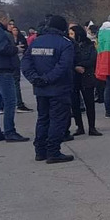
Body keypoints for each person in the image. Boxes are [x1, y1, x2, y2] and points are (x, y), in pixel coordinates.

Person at [21, 15, 74, 162]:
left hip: (41, 89)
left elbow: (26, 63)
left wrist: (35, 79)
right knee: (58, 120)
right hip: (59, 88)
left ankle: (40, 150)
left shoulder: (36, 42)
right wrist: (47, 79)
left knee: (43, 119)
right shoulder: (65, 44)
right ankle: (53, 152)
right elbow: (63, 67)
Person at [0, 15, 31, 143]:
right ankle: (10, 131)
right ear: (2, 19)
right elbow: (1, 48)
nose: (9, 25)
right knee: (10, 101)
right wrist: (16, 49)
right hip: (2, 69)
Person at [68, 25, 102, 137]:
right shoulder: (69, 45)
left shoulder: (89, 45)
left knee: (89, 103)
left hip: (87, 75)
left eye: (72, 34)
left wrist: (81, 65)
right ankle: (80, 126)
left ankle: (92, 127)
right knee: (75, 103)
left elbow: (93, 59)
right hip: (74, 77)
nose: (70, 36)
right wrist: (75, 67)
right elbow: (67, 60)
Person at [9, 25, 33, 112]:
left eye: (15, 30)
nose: (14, 31)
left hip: (21, 58)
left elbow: (26, 48)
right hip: (13, 61)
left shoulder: (21, 38)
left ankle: (18, 103)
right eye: (13, 30)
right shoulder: (9, 39)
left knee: (16, 82)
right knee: (15, 82)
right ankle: (18, 103)